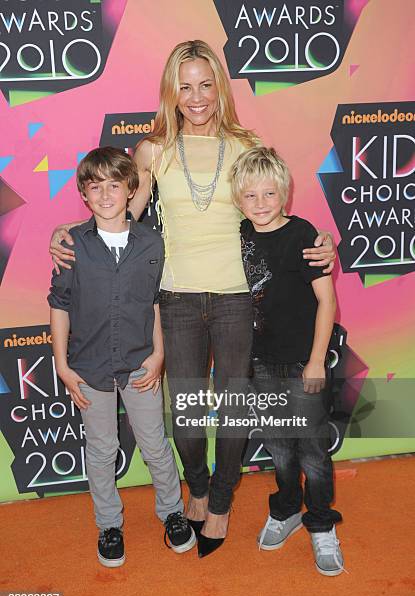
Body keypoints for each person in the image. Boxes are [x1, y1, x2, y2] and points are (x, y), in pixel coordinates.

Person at [49, 40, 336, 559]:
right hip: (176, 298)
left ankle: (221, 501)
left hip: (235, 299)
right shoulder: (153, 151)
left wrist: (320, 242)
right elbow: (121, 214)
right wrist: (67, 229)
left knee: (231, 410)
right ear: (172, 92)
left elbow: (271, 211)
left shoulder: (246, 144)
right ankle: (197, 490)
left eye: (206, 84)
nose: (197, 96)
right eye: (185, 86)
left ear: (219, 88)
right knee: (183, 415)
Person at [48, 147, 195, 568]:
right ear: (84, 194)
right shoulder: (70, 244)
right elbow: (59, 304)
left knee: (154, 444)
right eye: (96, 187)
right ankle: (109, 525)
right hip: (89, 367)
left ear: (132, 189)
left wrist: (160, 352)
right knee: (101, 448)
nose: (106, 194)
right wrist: (62, 364)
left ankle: (172, 512)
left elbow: (152, 303)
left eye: (115, 185)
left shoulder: (151, 242)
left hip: (139, 363)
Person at [230, 146, 344, 576]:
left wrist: (316, 360)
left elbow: (327, 301)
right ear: (238, 200)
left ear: (285, 194)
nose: (260, 204)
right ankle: (286, 510)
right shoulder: (238, 233)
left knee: (312, 450)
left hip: (302, 363)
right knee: (279, 448)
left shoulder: (302, 236)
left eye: (269, 194)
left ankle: (320, 523)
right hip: (260, 364)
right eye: (250, 196)